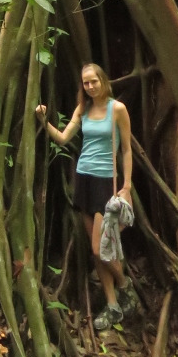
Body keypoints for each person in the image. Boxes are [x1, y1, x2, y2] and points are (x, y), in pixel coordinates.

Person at [36, 63, 139, 330]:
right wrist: (44, 121)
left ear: (103, 80)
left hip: (106, 182)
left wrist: (126, 186)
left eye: (94, 81)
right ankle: (113, 306)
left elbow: (126, 150)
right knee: (96, 253)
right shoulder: (83, 109)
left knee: (99, 248)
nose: (90, 86)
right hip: (83, 179)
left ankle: (126, 287)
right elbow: (62, 138)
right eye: (86, 83)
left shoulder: (117, 110)